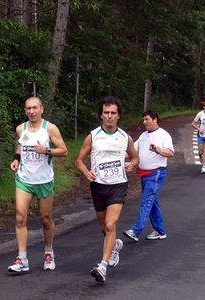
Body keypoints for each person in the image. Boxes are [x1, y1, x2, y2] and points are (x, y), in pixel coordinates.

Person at [75, 96, 139, 283]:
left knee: (111, 225)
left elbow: (135, 157)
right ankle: (115, 245)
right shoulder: (93, 136)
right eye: (106, 113)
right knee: (104, 227)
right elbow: (78, 160)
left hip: (118, 185)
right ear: (101, 115)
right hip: (98, 186)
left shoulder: (125, 137)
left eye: (113, 113)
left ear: (118, 116)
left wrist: (131, 164)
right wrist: (87, 173)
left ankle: (102, 267)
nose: (109, 116)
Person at [8, 97, 68, 273]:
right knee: (20, 216)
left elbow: (64, 150)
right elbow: (20, 146)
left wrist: (46, 150)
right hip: (24, 179)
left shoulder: (49, 128)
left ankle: (48, 251)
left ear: (41, 109)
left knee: (45, 219)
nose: (32, 111)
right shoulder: (21, 128)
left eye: (35, 108)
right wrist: (16, 159)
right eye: (28, 108)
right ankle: (22, 258)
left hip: (44, 180)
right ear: (25, 110)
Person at [123, 110, 174, 243]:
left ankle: (136, 231)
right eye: (143, 119)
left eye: (147, 119)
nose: (144, 122)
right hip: (144, 174)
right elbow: (131, 152)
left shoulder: (163, 135)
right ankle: (160, 231)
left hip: (156, 173)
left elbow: (170, 152)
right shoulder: (144, 135)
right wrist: (113, 155)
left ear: (155, 119)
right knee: (152, 201)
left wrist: (158, 150)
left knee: (146, 201)